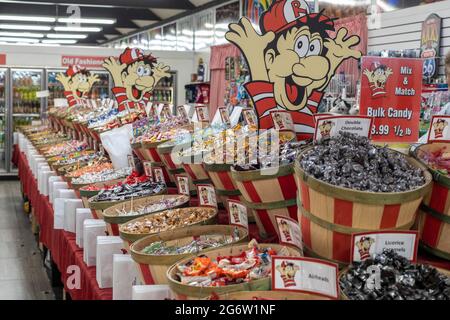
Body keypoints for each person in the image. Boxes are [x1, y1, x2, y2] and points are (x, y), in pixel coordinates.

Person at [103, 47, 170, 112]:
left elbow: (147, 91)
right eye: (139, 70)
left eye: (146, 72)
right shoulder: (124, 97)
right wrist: (116, 76)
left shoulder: (143, 96)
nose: (144, 78)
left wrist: (156, 77)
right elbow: (121, 97)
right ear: (124, 76)